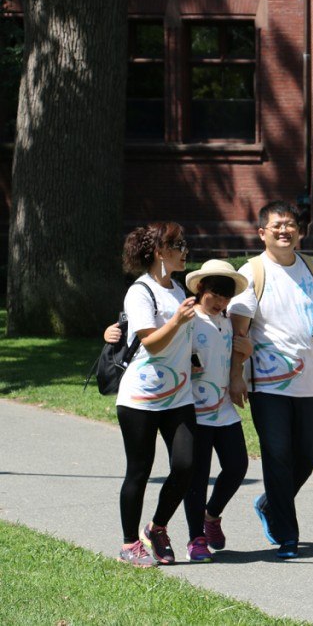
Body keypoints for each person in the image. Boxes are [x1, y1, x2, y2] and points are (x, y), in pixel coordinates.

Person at [228, 201, 313, 559]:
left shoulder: (312, 268)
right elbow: (239, 332)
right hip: (268, 382)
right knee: (278, 455)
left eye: (290, 225)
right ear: (262, 233)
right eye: (276, 226)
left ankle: (269, 502)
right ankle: (288, 536)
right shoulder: (253, 272)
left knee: (308, 452)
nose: (284, 231)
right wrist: (236, 377)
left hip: (308, 380)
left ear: (299, 231)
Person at [115, 222, 197, 566]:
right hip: (141, 398)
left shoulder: (178, 289)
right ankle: (129, 543)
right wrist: (177, 321)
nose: (184, 251)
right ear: (160, 252)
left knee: (186, 465)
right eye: (178, 245)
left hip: (178, 394)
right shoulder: (140, 292)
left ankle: (157, 527)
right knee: (140, 470)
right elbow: (150, 341)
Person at [181, 260, 252, 562]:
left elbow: (237, 352)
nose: (220, 302)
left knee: (237, 466)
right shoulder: (188, 318)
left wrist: (243, 358)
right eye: (215, 295)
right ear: (200, 289)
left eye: (226, 297)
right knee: (197, 477)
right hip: (194, 410)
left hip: (222, 408)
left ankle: (212, 516)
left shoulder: (224, 322)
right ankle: (196, 538)